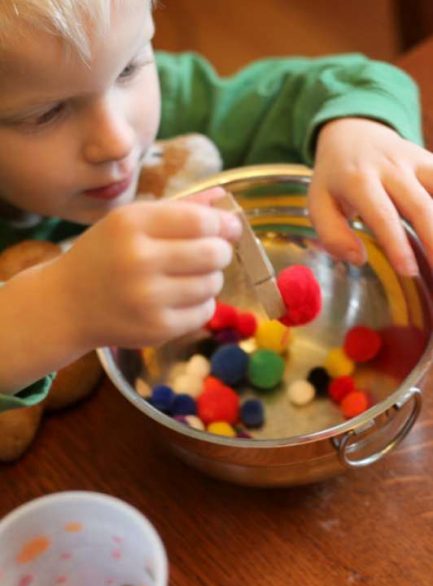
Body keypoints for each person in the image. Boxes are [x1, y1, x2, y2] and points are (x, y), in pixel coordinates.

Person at [0, 0, 432, 411]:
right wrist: (57, 308)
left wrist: (357, 129)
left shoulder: (180, 104)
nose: (118, 141)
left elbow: (355, 81)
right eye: (45, 113)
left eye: (129, 68)